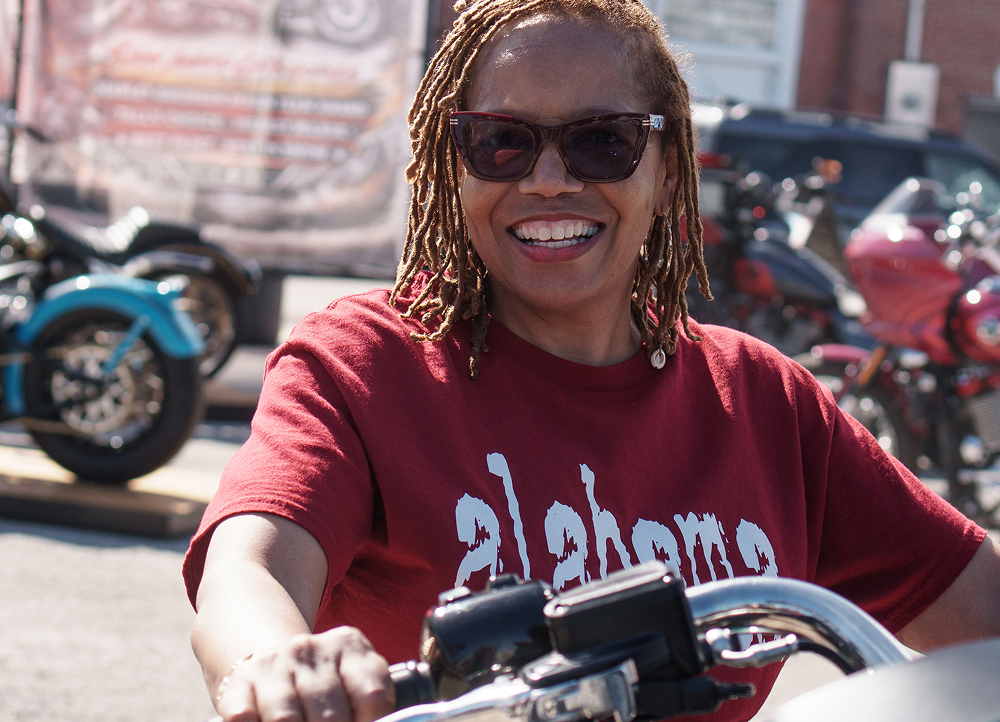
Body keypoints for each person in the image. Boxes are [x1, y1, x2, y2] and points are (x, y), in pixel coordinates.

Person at [183, 1, 1000, 721]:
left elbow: (978, 605)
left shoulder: (765, 403)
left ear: (667, 166)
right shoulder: (361, 364)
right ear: (452, 164)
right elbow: (247, 573)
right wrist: (279, 660)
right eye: (501, 142)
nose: (546, 181)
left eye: (601, 142)